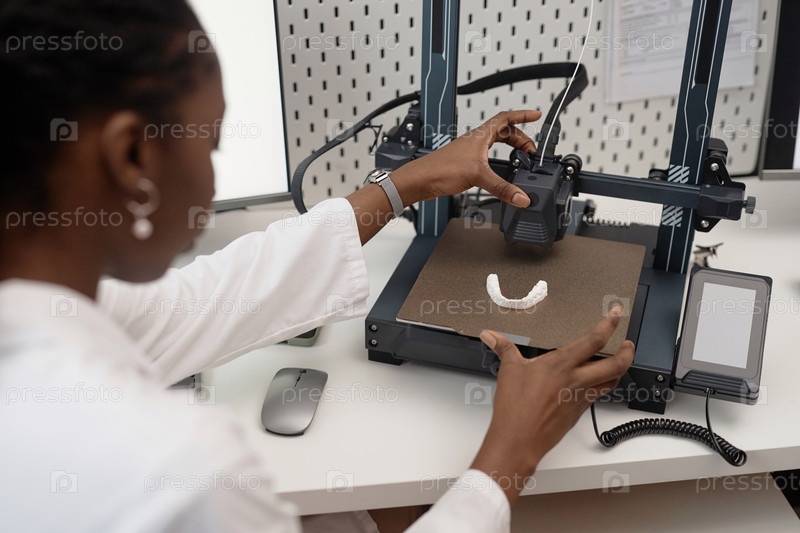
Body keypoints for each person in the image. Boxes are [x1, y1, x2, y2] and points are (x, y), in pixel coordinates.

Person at [0, 0, 635, 531]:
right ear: (133, 157)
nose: (212, 176)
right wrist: (509, 459)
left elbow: (200, 301)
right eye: (210, 142)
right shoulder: (180, 473)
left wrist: (401, 186)